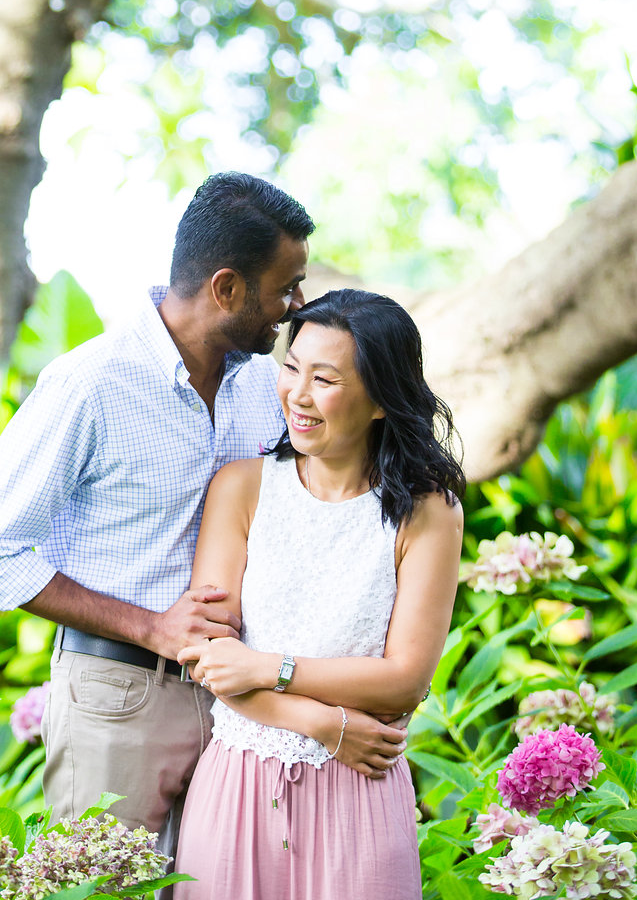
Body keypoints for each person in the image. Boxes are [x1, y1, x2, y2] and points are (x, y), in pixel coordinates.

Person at [0, 175, 410, 848]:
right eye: (286, 287)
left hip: (247, 706)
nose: (296, 306)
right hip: (120, 695)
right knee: (101, 888)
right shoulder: (90, 385)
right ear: (227, 288)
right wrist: (151, 627)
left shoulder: (270, 385)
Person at [171, 288, 466, 900]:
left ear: (382, 400)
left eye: (325, 379)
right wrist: (323, 723)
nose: (298, 395)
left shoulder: (428, 513)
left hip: (360, 786)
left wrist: (265, 667)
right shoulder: (243, 488)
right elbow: (209, 659)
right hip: (241, 782)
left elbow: (405, 679)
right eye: (291, 367)